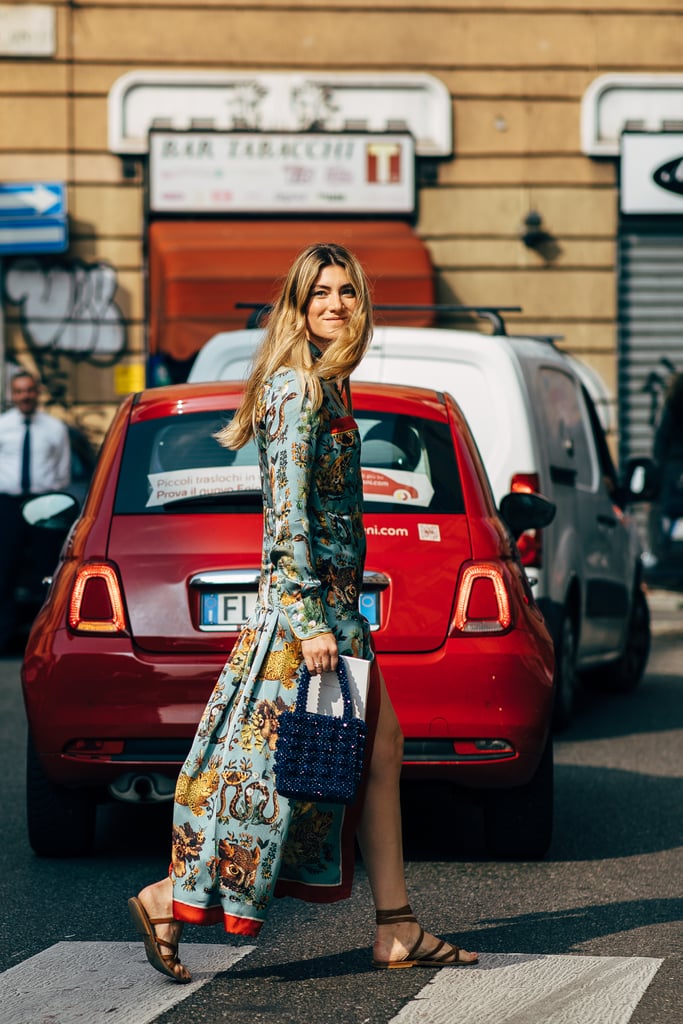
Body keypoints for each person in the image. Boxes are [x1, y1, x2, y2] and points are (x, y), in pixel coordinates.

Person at [128, 243, 478, 982]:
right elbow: (284, 516)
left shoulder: (330, 387)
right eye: (319, 292)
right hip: (305, 623)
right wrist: (311, 619)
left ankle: (395, 926)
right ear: (297, 304)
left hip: (338, 615)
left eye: (346, 291)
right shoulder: (298, 391)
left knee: (377, 755)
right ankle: (170, 893)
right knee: (269, 771)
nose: (335, 304)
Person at [0, 369, 71, 653]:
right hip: (7, 506)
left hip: (44, 507)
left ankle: (44, 641)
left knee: (47, 573)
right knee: (5, 571)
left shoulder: (55, 428)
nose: (25, 396)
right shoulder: (2, 426)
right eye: (19, 391)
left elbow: (63, 472)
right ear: (12, 394)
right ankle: (3, 640)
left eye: (29, 390)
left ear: (37, 392)